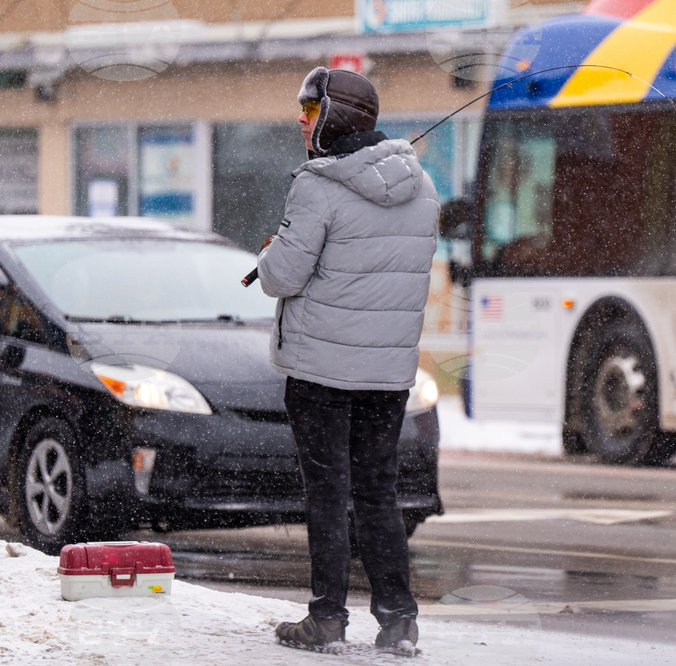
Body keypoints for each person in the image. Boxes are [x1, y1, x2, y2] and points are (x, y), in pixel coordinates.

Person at [256, 66, 438, 655]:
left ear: (330, 120)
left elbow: (283, 275)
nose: (301, 123)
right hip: (386, 377)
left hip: (320, 374)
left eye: (308, 114)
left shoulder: (317, 185)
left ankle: (327, 619)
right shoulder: (423, 189)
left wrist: (269, 254)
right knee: (378, 493)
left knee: (328, 494)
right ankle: (398, 620)